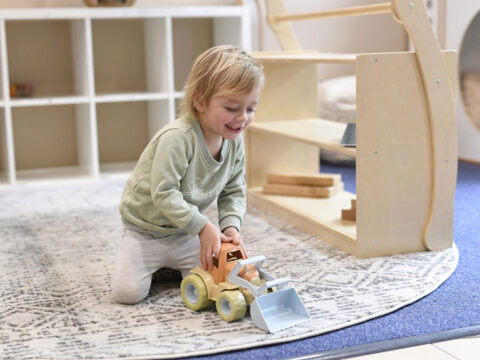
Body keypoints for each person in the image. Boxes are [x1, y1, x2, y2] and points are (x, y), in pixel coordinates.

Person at [112, 45, 264, 304]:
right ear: (200, 100)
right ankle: (155, 263)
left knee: (221, 279)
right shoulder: (178, 138)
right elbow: (164, 192)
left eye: (250, 109)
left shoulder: (234, 140)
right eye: (231, 108)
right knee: (127, 294)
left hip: (186, 232)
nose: (242, 118)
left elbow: (233, 188)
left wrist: (230, 226)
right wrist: (204, 226)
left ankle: (168, 265)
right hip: (145, 230)